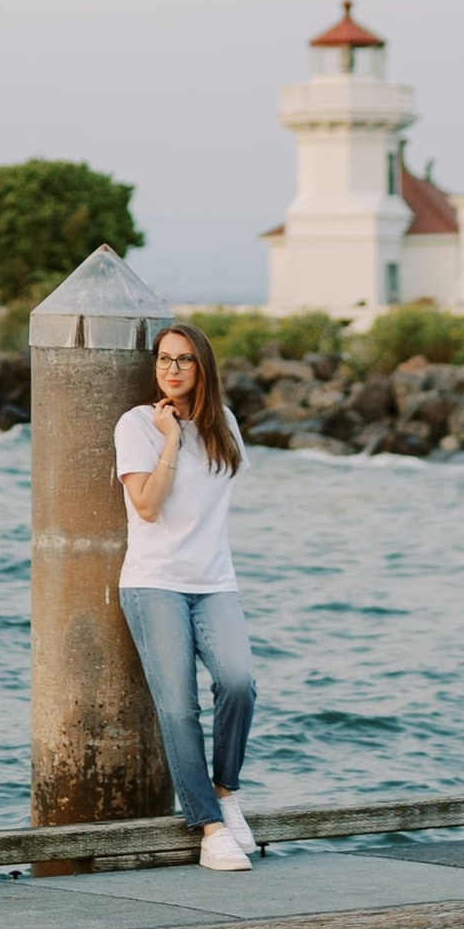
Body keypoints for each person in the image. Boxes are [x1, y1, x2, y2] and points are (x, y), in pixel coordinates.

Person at [115, 321, 259, 872]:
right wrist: (171, 439)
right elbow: (148, 506)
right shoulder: (137, 424)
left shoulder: (225, 424)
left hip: (214, 581)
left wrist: (193, 431)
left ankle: (225, 792)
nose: (171, 369)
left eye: (183, 359)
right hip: (155, 582)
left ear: (203, 367)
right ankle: (210, 828)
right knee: (179, 708)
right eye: (163, 359)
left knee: (239, 683)